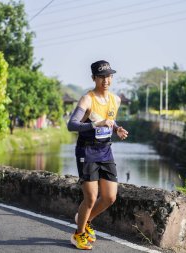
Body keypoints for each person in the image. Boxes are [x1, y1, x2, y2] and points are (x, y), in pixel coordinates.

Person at [67, 60, 128, 250]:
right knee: (91, 198)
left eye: (109, 76)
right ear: (94, 78)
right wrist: (96, 124)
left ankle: (84, 221)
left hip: (105, 150)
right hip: (87, 150)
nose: (106, 80)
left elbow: (110, 118)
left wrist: (117, 128)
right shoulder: (87, 99)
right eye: (101, 77)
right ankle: (79, 234)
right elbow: (72, 125)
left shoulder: (115, 100)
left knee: (110, 197)